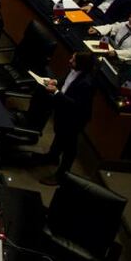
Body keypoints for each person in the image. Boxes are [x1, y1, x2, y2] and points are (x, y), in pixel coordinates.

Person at [40, 51, 96, 185]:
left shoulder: (86, 84)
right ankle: (52, 157)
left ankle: (61, 175)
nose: (70, 61)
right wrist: (56, 82)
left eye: (74, 60)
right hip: (63, 111)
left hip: (74, 118)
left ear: (82, 65)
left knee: (69, 148)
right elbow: (66, 82)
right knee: (59, 134)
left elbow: (75, 105)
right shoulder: (74, 69)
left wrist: (56, 93)